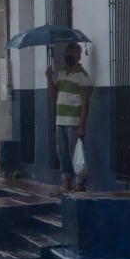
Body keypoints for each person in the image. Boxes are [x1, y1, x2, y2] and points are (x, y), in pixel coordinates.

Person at [47, 42, 92, 193]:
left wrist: (82, 125)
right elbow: (54, 95)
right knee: (62, 153)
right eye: (66, 54)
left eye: (71, 54)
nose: (68, 57)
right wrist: (49, 78)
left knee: (75, 153)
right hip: (60, 120)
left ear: (78, 56)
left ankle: (80, 183)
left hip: (74, 121)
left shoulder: (83, 77)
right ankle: (66, 182)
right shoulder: (61, 73)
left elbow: (85, 103)